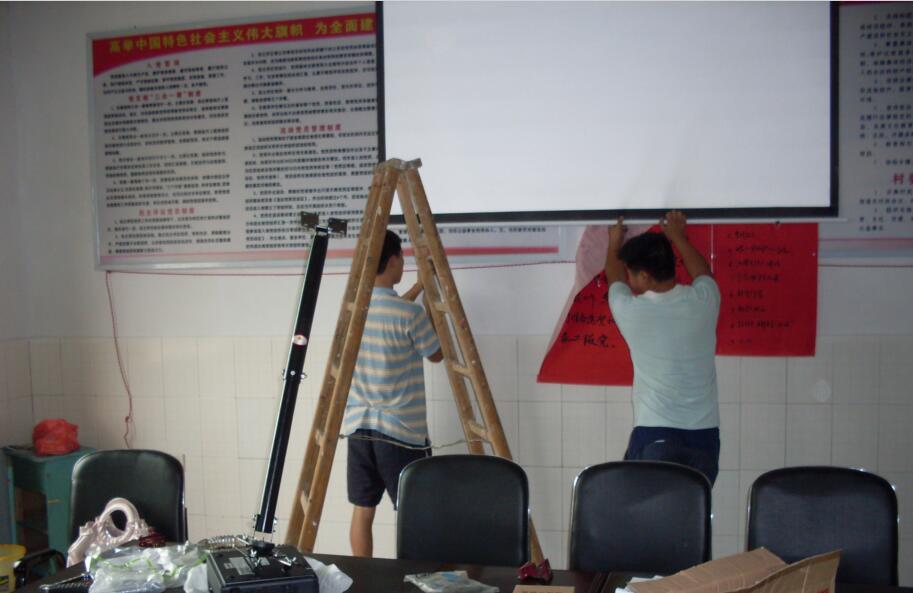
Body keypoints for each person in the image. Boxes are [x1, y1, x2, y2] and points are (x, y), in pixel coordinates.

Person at [341, 229, 443, 557]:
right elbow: (436, 353)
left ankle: (361, 575)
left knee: (363, 510)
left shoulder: (354, 311)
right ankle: (416, 578)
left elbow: (391, 311)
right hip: (400, 434)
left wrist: (418, 288)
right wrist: (431, 305)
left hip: (359, 429)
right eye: (402, 257)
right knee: (416, 512)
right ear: (394, 260)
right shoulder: (409, 315)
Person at [604, 211, 721, 485]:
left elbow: (613, 276)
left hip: (656, 435)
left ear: (645, 276)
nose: (629, 281)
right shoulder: (705, 301)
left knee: (649, 510)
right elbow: (703, 273)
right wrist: (678, 237)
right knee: (693, 509)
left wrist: (614, 242)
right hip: (704, 438)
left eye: (632, 275)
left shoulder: (632, 311)